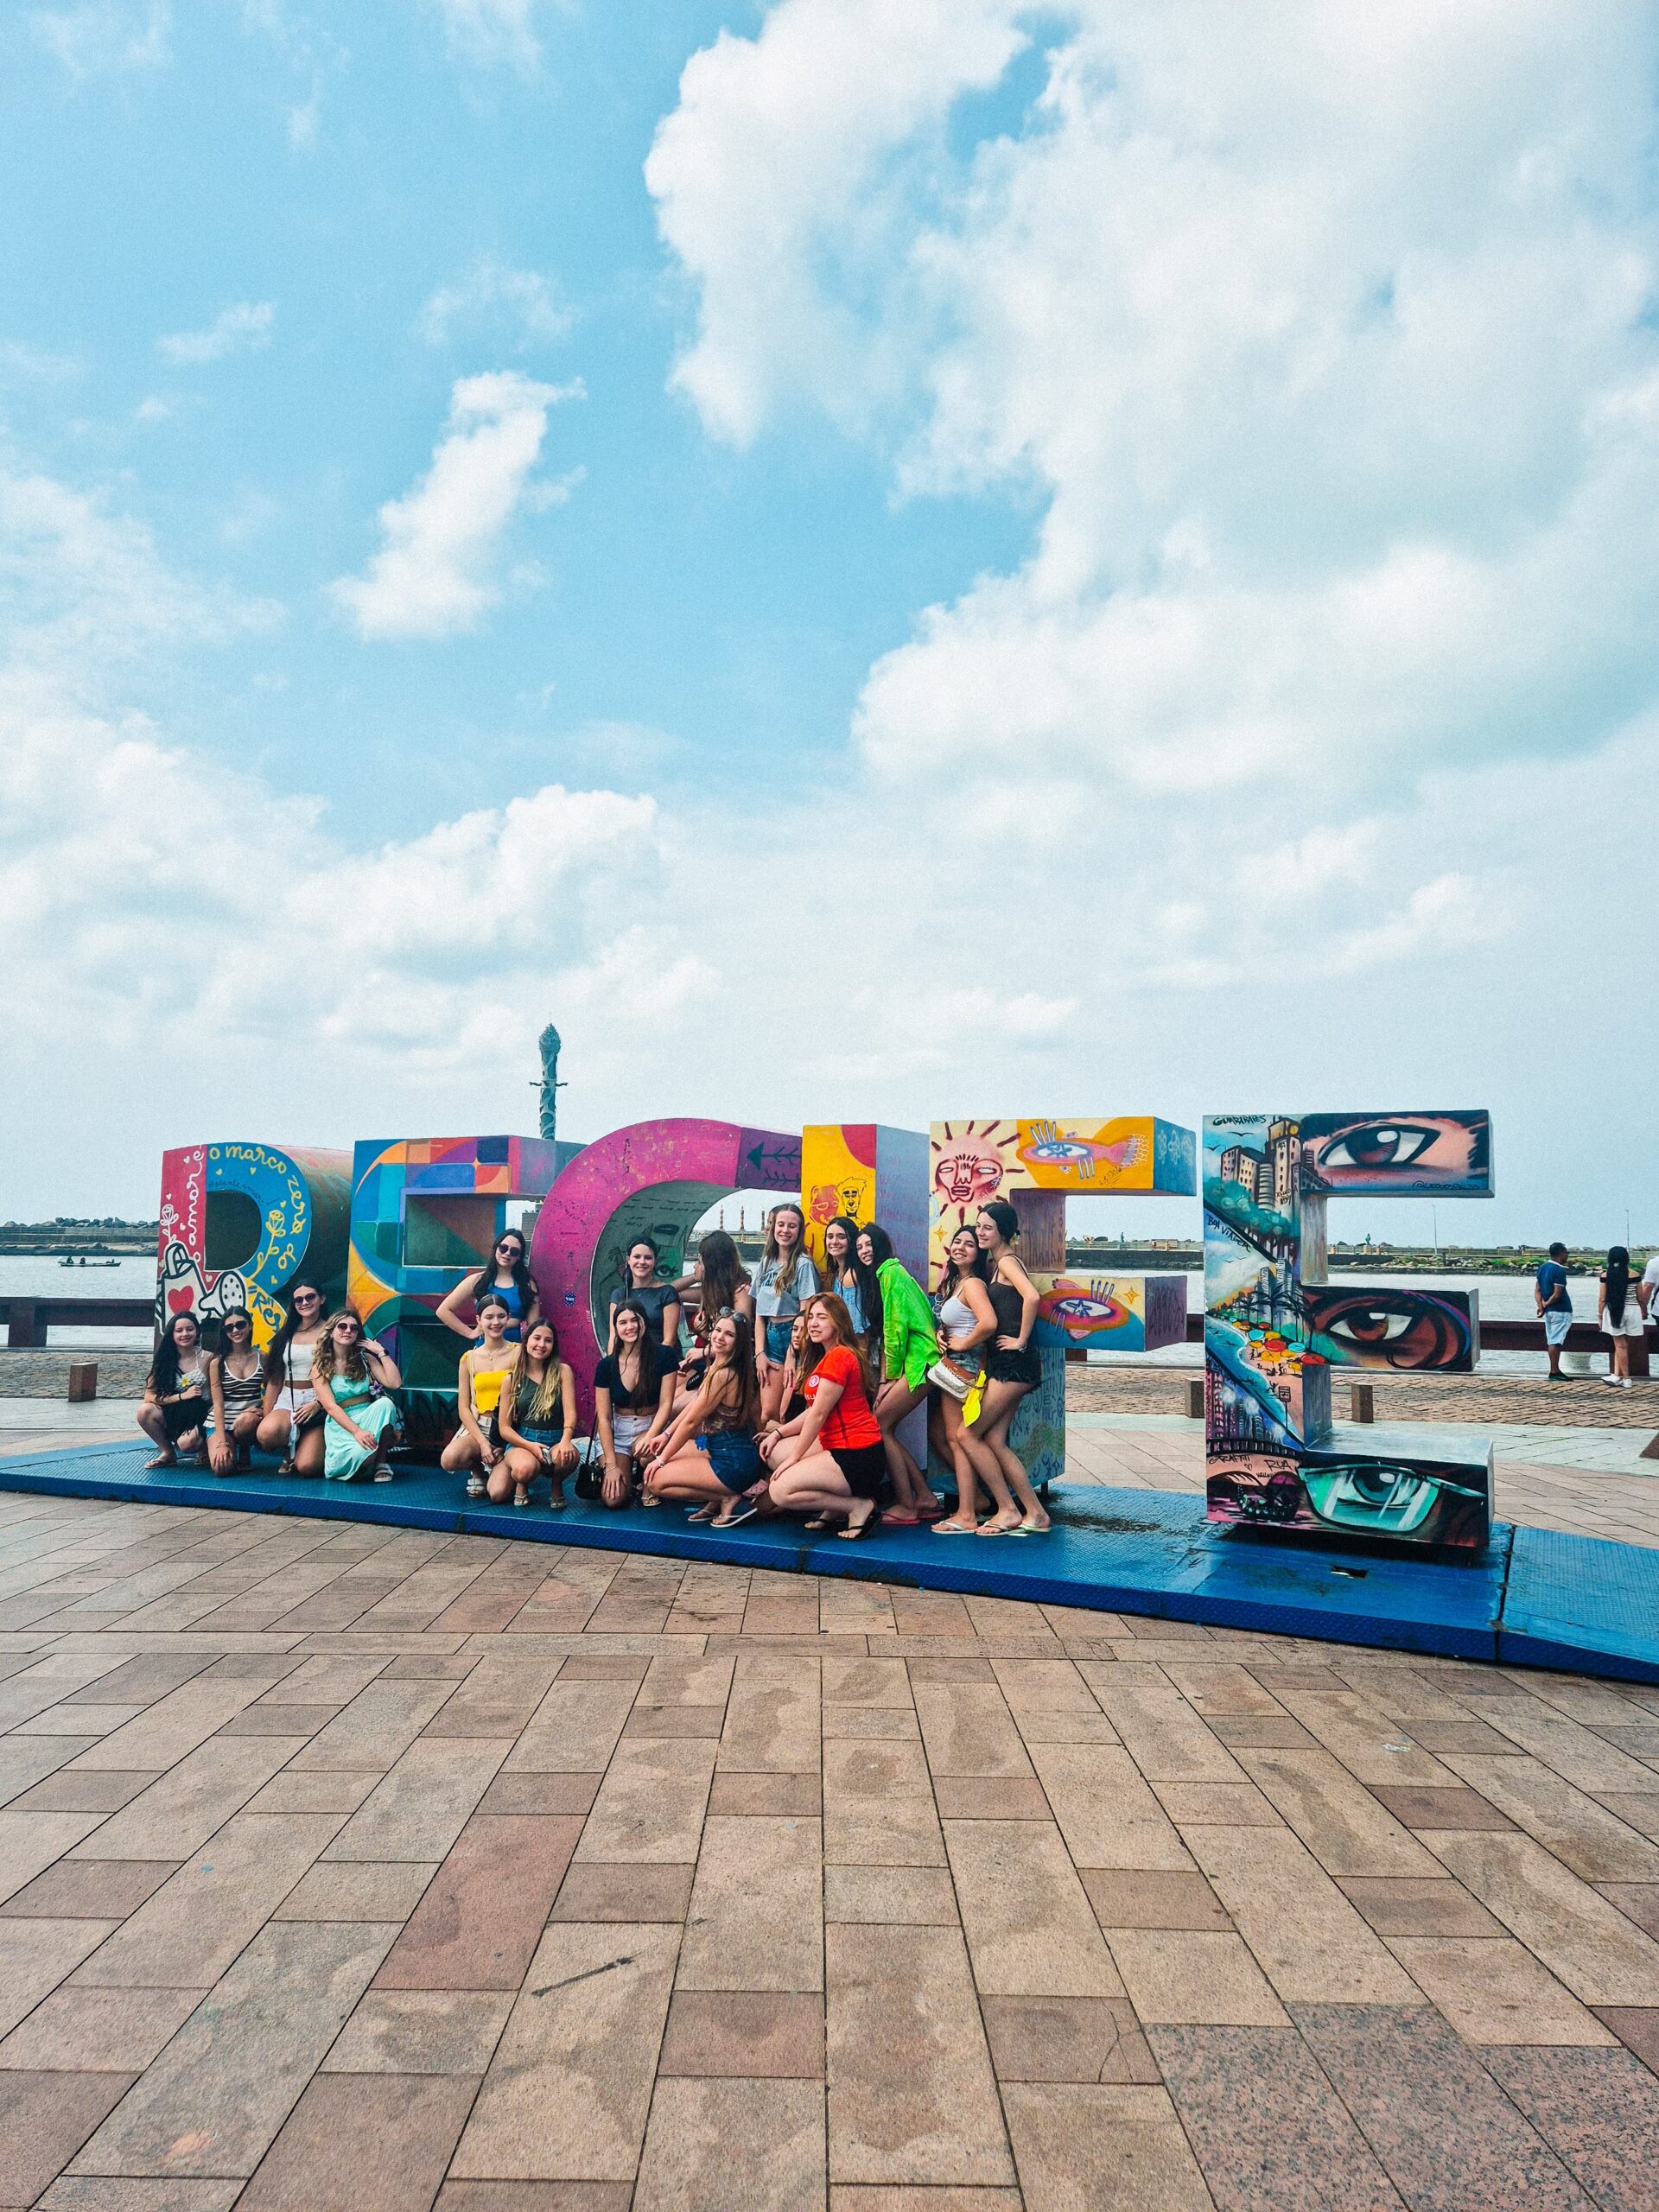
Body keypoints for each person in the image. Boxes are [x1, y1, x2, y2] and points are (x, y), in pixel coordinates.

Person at [762, 1294, 888, 1539]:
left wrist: (795, 1458)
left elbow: (818, 1414)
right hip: (841, 1446)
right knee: (775, 1453)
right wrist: (778, 1432)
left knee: (780, 1491)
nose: (813, 1323)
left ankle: (858, 1507)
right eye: (811, 1317)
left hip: (858, 1456)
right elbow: (813, 1410)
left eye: (822, 1317)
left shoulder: (840, 1356)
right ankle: (832, 1508)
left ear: (838, 1322)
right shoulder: (829, 1355)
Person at [639, 1311, 766, 1526]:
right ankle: (718, 1498)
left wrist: (662, 1461)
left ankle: (725, 1495)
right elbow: (692, 1407)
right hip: (719, 1449)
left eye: (729, 1334)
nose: (719, 1337)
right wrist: (666, 1435)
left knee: (655, 1480)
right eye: (717, 1330)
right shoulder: (717, 1366)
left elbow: (691, 1422)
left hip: (733, 1462)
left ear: (738, 1342)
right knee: (652, 1456)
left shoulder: (725, 1374)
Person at [971, 1199, 1052, 1533]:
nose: (980, 1232)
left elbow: (1032, 1297)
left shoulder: (1005, 1262)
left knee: (968, 1434)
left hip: (1013, 1365)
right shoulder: (998, 1264)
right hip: (1011, 1365)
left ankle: (1007, 1509)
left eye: (987, 1228)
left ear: (1003, 1232)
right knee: (993, 1439)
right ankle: (1034, 1512)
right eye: (978, 1226)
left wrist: (1019, 1339)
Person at [926, 1227, 1009, 1535]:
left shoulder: (973, 1283)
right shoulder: (958, 1282)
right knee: (943, 1435)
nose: (961, 1247)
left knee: (956, 1438)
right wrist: (943, 1334)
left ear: (979, 1253)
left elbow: (988, 1323)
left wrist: (962, 1344)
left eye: (970, 1244)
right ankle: (974, 1502)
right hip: (958, 1365)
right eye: (957, 1242)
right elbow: (961, 1320)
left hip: (964, 1367)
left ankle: (967, 1513)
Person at [858, 1223, 942, 1521]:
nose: (865, 1251)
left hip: (920, 1361)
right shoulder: (890, 1274)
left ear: (881, 1246)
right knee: (885, 1427)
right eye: (860, 1247)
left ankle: (907, 1505)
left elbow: (896, 1331)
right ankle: (925, 1497)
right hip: (922, 1361)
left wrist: (888, 1380)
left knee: (880, 1426)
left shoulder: (890, 1274)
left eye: (869, 1245)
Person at [594, 1297, 678, 1508]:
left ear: (644, 1322)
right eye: (623, 1323)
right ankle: (629, 1476)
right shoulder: (606, 1365)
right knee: (613, 1500)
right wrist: (612, 1465)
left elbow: (666, 1404)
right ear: (615, 1328)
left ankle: (647, 1479)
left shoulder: (665, 1355)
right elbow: (604, 1418)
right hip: (619, 1430)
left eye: (635, 1320)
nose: (630, 1327)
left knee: (647, 1453)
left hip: (651, 1424)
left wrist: (651, 1436)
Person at [441, 1294, 522, 1496]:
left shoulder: (519, 1353)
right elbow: (463, 1407)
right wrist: (484, 1444)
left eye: (501, 1316)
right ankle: (478, 1471)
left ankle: (504, 1468)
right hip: (480, 1426)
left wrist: (505, 1443)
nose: (496, 1322)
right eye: (489, 1317)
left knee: (498, 1494)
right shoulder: (469, 1359)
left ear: (508, 1318)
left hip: (510, 1428)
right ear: (478, 1320)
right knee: (449, 1459)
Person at [495, 1319, 580, 1508]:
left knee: (570, 1456)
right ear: (526, 1342)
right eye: (537, 1338)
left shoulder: (563, 1371)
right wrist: (530, 1446)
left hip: (556, 1438)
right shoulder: (511, 1379)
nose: (541, 1345)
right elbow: (504, 1428)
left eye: (548, 1340)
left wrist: (566, 1440)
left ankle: (556, 1485)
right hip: (524, 1440)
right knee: (517, 1476)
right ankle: (521, 1482)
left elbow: (571, 1413)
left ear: (553, 1346)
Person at [312, 1310, 403, 1480]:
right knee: (359, 1456)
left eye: (353, 1328)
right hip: (342, 1422)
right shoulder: (320, 1367)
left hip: (368, 1414)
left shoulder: (366, 1359)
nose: (348, 1331)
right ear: (331, 1332)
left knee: (385, 1404)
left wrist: (381, 1351)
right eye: (342, 1326)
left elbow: (395, 1383)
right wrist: (357, 1432)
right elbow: (331, 1407)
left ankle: (381, 1463)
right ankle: (366, 1462)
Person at [257, 1281, 332, 1475]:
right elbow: (275, 1378)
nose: (304, 1302)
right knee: (266, 1433)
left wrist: (319, 1404)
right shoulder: (286, 1334)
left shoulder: (332, 1332)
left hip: (319, 1402)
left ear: (322, 1299)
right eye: (299, 1299)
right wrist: (268, 1415)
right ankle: (290, 1448)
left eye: (310, 1297)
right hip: (288, 1398)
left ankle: (311, 1443)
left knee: (307, 1467)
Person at [752, 1203, 819, 1421]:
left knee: (785, 1414)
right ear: (773, 1228)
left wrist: (793, 1352)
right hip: (770, 1337)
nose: (785, 1230)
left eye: (792, 1226)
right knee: (767, 1414)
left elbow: (806, 1312)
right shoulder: (765, 1264)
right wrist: (760, 1354)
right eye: (781, 1224)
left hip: (795, 1337)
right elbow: (759, 1316)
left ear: (799, 1231)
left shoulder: (803, 1264)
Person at [676, 1229, 754, 1393]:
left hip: (726, 1364)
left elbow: (741, 1338)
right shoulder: (711, 1291)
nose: (695, 1265)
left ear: (712, 1264)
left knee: (675, 1406)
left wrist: (703, 1346)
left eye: (700, 1261)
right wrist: (696, 1276)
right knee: (666, 1391)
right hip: (704, 1359)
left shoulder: (741, 1292)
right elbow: (671, 1291)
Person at [436, 1230, 539, 1346]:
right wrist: (469, 1333)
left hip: (515, 1352)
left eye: (514, 1251)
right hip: (484, 1352)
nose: (507, 1254)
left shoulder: (527, 1284)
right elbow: (443, 1311)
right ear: (496, 1248)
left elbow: (534, 1327)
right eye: (503, 1248)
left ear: (519, 1257)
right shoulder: (478, 1281)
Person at [137, 1311, 211, 1469]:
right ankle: (168, 1452)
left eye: (190, 1329)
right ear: (172, 1334)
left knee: (188, 1444)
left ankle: (205, 1447)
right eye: (179, 1330)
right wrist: (181, 1396)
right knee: (145, 1411)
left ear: (197, 1331)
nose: (185, 1334)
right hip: (174, 1413)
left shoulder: (209, 1358)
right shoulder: (164, 1360)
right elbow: (149, 1396)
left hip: (201, 1414)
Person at [206, 1308, 265, 1475]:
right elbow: (217, 1405)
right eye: (229, 1328)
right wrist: (222, 1442)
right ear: (224, 1332)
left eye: (240, 1325)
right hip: (222, 1420)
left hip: (248, 1419)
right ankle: (213, 1444)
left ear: (250, 1326)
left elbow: (273, 1390)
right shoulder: (217, 1363)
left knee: (248, 1420)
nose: (235, 1330)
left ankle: (244, 1448)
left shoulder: (262, 1357)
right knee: (221, 1469)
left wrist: (263, 1410)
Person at [605, 1236, 683, 1357]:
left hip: (661, 1360)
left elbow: (669, 1340)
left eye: (648, 1258)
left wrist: (648, 1366)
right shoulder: (619, 1294)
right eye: (637, 1257)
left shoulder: (667, 1293)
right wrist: (612, 1365)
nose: (642, 1262)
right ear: (628, 1260)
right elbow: (613, 1337)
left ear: (655, 1261)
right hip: (628, 1361)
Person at [1599, 1245, 1643, 1388]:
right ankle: (1616, 1375)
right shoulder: (1635, 1275)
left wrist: (1600, 1315)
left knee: (1620, 1345)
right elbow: (1641, 1297)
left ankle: (1626, 1379)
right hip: (1633, 1310)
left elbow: (1603, 1299)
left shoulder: (1606, 1275)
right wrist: (1644, 1310)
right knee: (1624, 1345)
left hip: (1615, 1311)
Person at [820, 1216, 871, 1340]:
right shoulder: (836, 1274)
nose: (834, 1241)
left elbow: (858, 1332)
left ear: (852, 1241)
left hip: (853, 1350)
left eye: (841, 1237)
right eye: (830, 1236)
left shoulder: (852, 1276)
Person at [1535, 1243, 1573, 1380]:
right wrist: (1546, 1304)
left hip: (1549, 1312)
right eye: (1566, 1252)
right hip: (1561, 1310)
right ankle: (1554, 1371)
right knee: (1555, 1341)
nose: (1567, 1255)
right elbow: (1557, 1295)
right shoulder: (1559, 1271)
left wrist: (1541, 1306)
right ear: (1561, 1253)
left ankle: (1555, 1370)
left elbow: (1538, 1290)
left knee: (1551, 1339)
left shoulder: (1542, 1268)